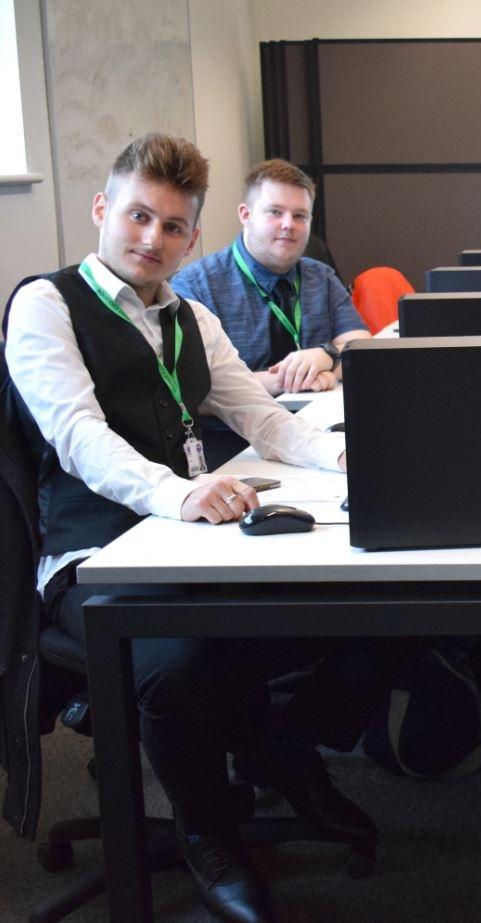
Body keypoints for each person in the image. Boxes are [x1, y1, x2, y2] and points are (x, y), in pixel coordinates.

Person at [4, 134, 400, 923]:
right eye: (138, 216)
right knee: (177, 660)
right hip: (91, 558)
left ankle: (281, 747)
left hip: (186, 541)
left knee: (372, 605)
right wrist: (176, 494)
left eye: (174, 226)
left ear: (192, 234)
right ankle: (207, 829)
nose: (153, 239)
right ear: (101, 210)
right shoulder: (44, 304)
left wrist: (370, 464)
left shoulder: (190, 314)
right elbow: (78, 436)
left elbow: (265, 420)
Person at [172, 158, 369, 396]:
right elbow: (194, 385)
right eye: (275, 212)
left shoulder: (321, 277)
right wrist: (295, 378)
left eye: (300, 216)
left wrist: (325, 356)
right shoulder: (196, 286)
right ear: (246, 215)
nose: (288, 224)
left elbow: (362, 350)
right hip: (237, 431)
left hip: (318, 422)